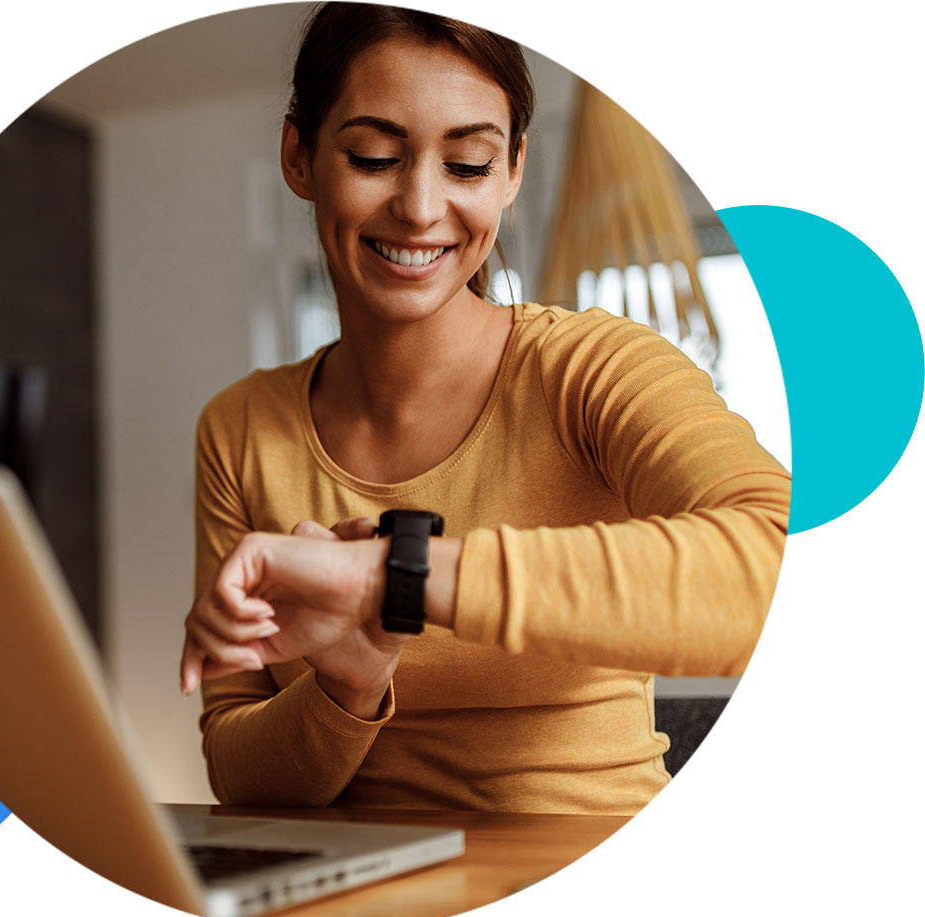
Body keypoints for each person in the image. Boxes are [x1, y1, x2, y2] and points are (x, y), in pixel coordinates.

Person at [178, 3, 790, 816]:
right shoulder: (241, 427)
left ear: (513, 170)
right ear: (299, 156)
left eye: (467, 164)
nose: (421, 207)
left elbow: (775, 560)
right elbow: (240, 772)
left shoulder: (593, 371)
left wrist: (393, 579)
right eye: (373, 155)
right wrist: (349, 681)